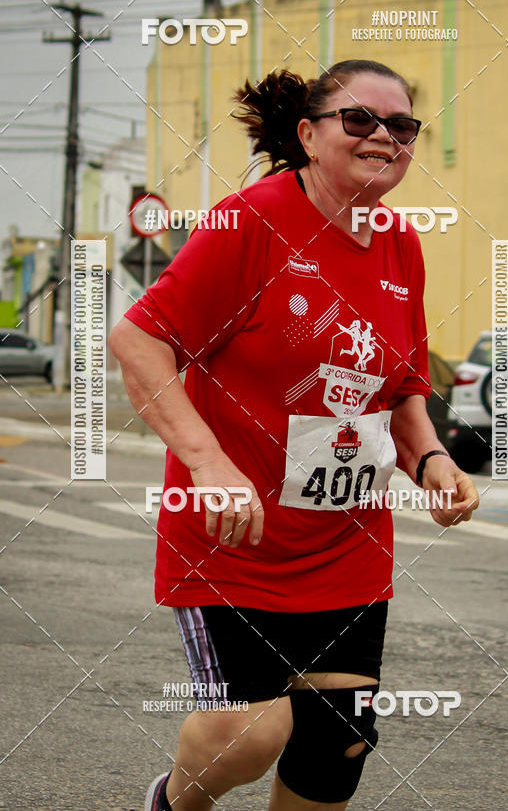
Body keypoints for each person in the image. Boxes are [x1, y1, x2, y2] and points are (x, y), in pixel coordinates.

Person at [109, 59, 479, 811]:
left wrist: (432, 459)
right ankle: (171, 803)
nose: (384, 136)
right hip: (235, 540)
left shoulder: (402, 244)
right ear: (309, 134)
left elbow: (401, 384)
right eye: (360, 120)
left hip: (346, 545)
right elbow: (139, 339)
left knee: (339, 741)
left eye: (401, 126)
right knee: (252, 732)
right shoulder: (249, 221)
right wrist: (208, 462)